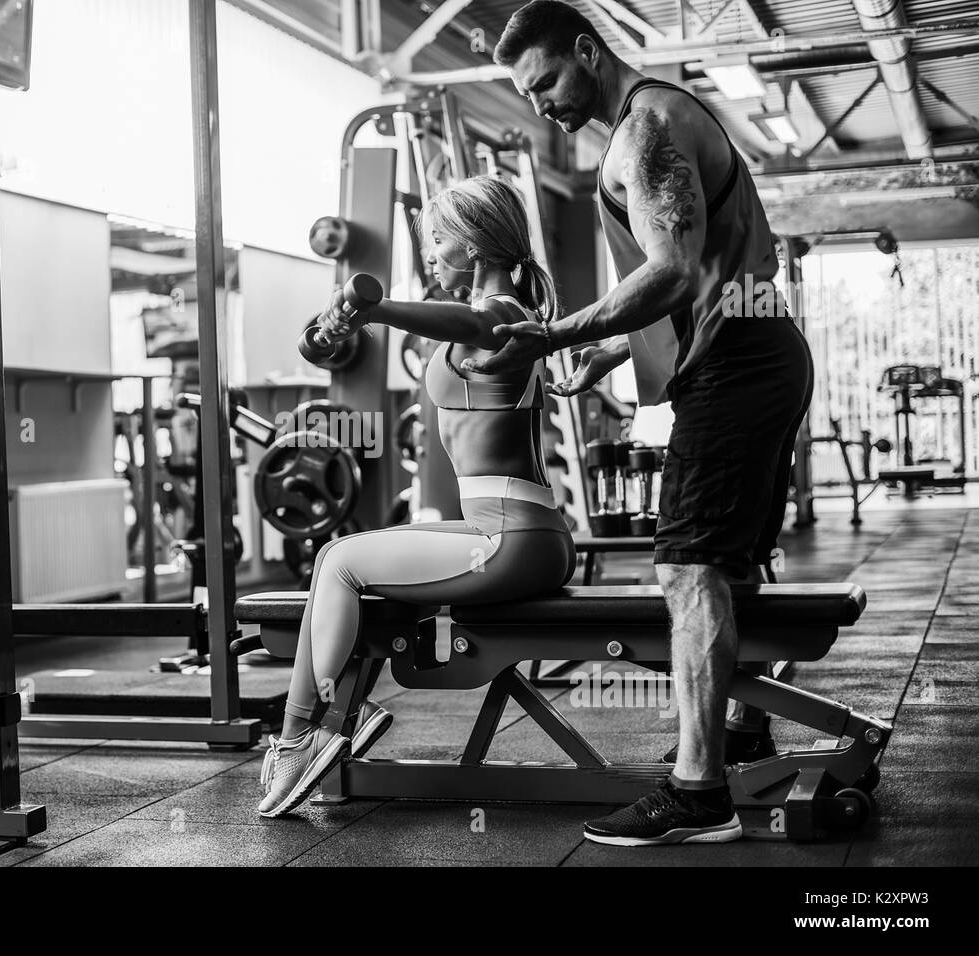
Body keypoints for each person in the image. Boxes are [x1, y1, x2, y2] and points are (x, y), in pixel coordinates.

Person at [464, 1, 815, 845]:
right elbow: (703, 282)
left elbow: (670, 270)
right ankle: (736, 731)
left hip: (739, 367)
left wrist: (556, 332)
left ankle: (699, 793)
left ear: (587, 51)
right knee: (729, 561)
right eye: (528, 90)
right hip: (757, 351)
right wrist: (612, 354)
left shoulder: (646, 128)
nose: (542, 102)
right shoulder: (652, 122)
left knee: (688, 565)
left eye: (545, 80)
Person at [258, 175, 577, 818]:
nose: (430, 253)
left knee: (341, 562)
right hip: (513, 531)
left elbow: (473, 322)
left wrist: (376, 309)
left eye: (438, 240)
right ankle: (341, 712)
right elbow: (446, 322)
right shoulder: (482, 317)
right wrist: (343, 331)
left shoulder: (504, 314)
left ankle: (298, 737)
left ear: (478, 246)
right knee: (342, 557)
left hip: (511, 540)